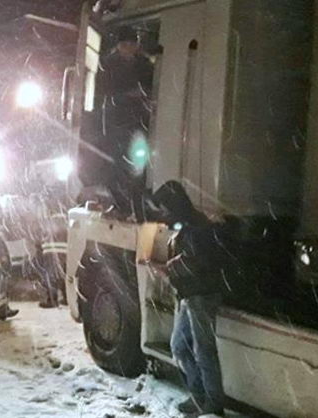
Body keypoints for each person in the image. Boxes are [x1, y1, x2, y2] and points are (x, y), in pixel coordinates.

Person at [154, 181, 227, 417]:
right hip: (190, 295)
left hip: (202, 296)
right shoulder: (188, 224)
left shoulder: (196, 226)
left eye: (165, 208)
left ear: (174, 205)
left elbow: (197, 260)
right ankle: (198, 396)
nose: (163, 214)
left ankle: (213, 404)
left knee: (204, 350)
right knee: (179, 346)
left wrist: (168, 268)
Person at [99, 26, 154, 221]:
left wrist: (144, 97)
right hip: (117, 123)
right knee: (113, 167)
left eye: (133, 43)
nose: (130, 48)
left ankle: (137, 210)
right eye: (126, 44)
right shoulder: (110, 64)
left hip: (138, 123)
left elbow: (151, 86)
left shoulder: (144, 63)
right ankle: (122, 206)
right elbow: (109, 95)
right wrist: (131, 96)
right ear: (119, 46)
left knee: (138, 169)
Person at [35, 212, 68, 308]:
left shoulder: (48, 231)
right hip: (64, 256)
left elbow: (39, 243)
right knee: (63, 277)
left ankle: (52, 300)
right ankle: (66, 299)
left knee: (51, 278)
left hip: (50, 256)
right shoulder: (66, 230)